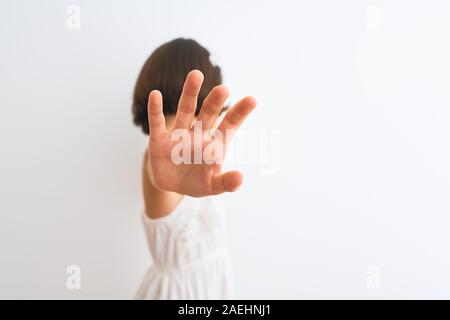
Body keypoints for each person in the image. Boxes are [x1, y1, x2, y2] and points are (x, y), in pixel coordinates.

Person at [131, 38, 256, 299]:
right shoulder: (157, 159)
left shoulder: (200, 149)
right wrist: (164, 173)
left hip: (212, 281)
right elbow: (160, 176)